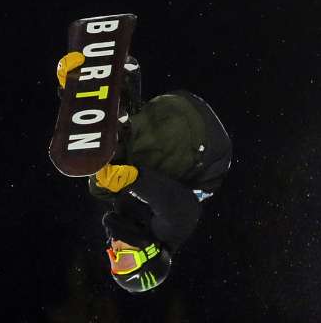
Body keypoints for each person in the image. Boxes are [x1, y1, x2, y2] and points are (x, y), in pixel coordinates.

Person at [55, 51, 232, 293]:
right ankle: (116, 113)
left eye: (112, 260)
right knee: (124, 172)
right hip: (203, 145)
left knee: (101, 184)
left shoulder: (127, 213)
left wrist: (76, 99)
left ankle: (117, 92)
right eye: (125, 261)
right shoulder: (167, 234)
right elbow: (181, 209)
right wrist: (134, 180)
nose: (114, 252)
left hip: (171, 118)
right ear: (149, 254)